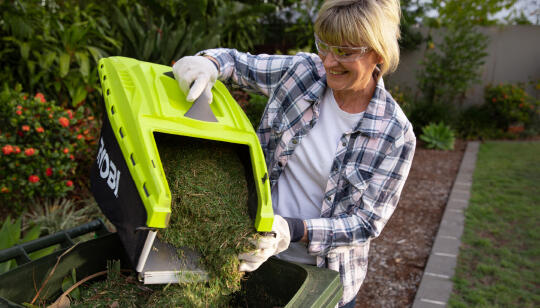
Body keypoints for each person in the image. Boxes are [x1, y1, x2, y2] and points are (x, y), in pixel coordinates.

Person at [172, 0, 415, 306]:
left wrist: (290, 229)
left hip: (319, 278)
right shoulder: (302, 73)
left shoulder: (394, 134)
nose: (328, 62)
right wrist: (209, 64)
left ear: (378, 54)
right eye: (324, 46)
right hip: (246, 252)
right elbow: (236, 62)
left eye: (344, 52)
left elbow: (365, 223)